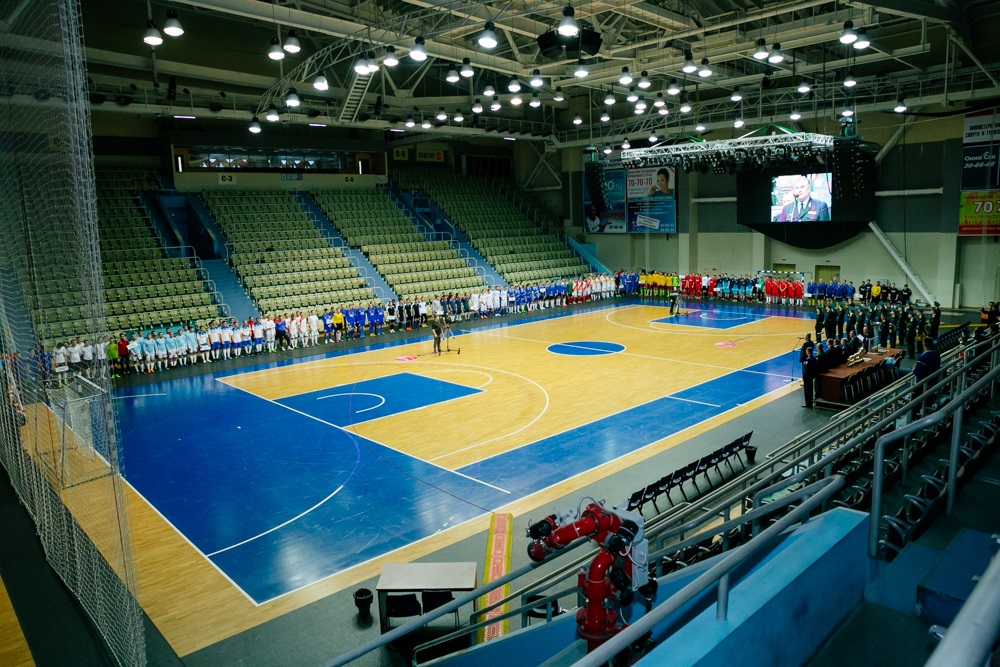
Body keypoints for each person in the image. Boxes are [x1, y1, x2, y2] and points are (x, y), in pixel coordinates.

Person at [801, 344, 817, 408]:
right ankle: (810, 403)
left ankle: (808, 404)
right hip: (811, 376)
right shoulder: (814, 358)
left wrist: (803, 377)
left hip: (807, 377)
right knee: (810, 390)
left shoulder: (808, 360)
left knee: (807, 391)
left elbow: (806, 370)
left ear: (808, 351)